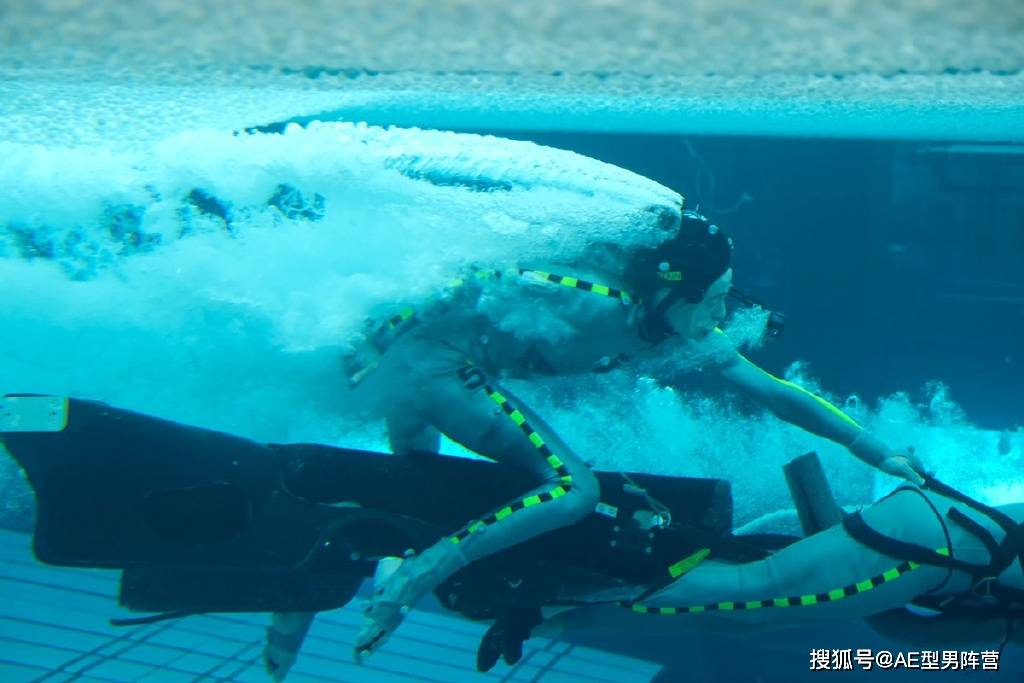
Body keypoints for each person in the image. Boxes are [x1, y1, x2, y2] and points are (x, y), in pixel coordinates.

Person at [348, 202, 926, 662]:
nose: (719, 316)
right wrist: (373, 342)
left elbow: (776, 393)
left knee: (413, 491)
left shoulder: (680, 325)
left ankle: (364, 596)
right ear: (676, 289)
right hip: (433, 364)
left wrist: (876, 452)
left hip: (439, 372)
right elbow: (471, 278)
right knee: (573, 489)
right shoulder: (598, 296)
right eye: (714, 298)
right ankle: (418, 576)